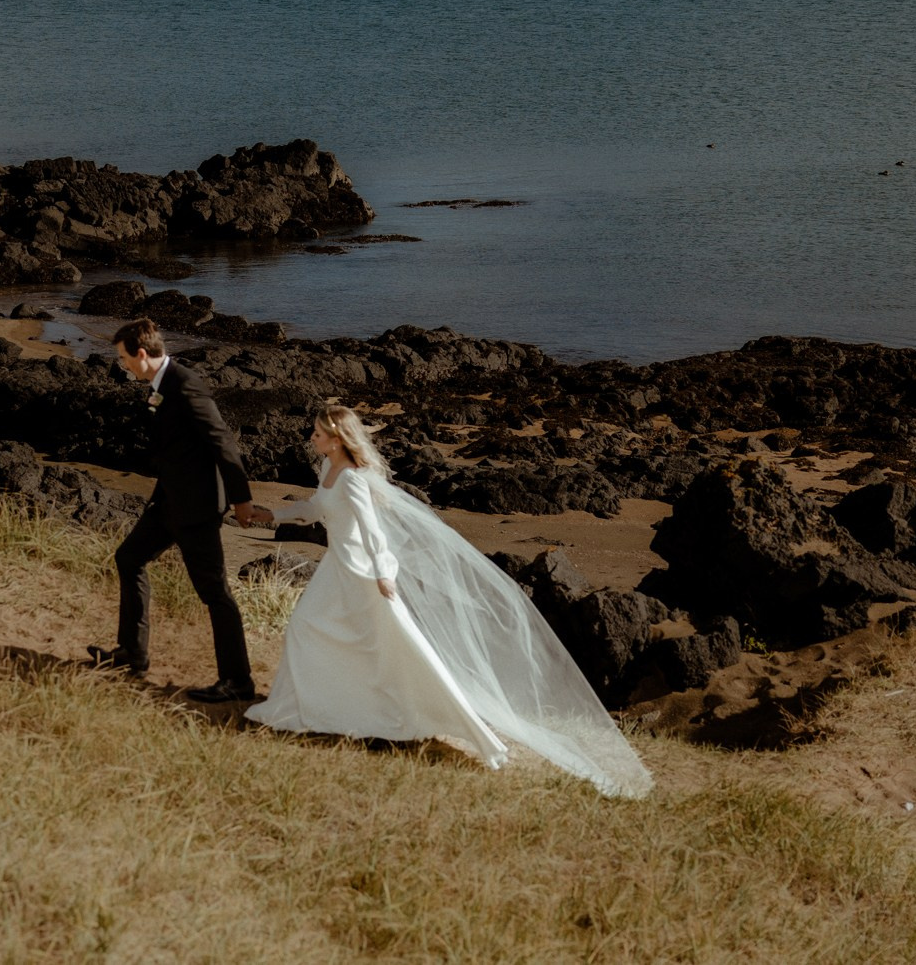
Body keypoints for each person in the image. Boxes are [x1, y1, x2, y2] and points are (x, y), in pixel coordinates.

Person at [246, 403, 653, 798]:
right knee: (309, 630)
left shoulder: (353, 478)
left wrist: (385, 575)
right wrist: (273, 516)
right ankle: (314, 709)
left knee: (395, 645)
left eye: (317, 433)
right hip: (337, 569)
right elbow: (316, 508)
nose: (311, 438)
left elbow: (372, 532)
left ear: (335, 439)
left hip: (363, 575)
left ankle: (428, 717)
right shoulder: (327, 468)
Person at [87, 318, 259, 704]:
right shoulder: (160, 385)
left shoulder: (185, 384)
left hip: (196, 508)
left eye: (123, 357)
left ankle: (238, 681)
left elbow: (222, 442)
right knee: (128, 558)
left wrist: (241, 499)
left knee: (215, 593)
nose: (122, 364)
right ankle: (132, 654)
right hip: (168, 502)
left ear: (142, 354)